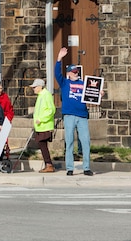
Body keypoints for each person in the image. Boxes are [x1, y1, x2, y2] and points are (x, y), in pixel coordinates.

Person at [56, 46, 93, 176]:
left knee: (85, 141)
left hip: (82, 115)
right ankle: (70, 168)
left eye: (77, 72)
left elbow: (92, 94)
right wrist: (59, 59)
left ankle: (86, 167)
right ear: (68, 73)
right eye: (73, 72)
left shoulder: (84, 83)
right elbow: (57, 74)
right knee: (69, 140)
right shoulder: (65, 83)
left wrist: (99, 94)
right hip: (69, 116)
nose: (76, 73)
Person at [31, 78, 56, 173]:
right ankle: (48, 164)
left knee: (42, 145)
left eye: (35, 87)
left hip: (44, 125)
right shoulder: (41, 95)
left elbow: (51, 110)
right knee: (42, 145)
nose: (33, 89)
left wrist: (41, 119)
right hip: (40, 126)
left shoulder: (46, 95)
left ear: (40, 87)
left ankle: (49, 164)